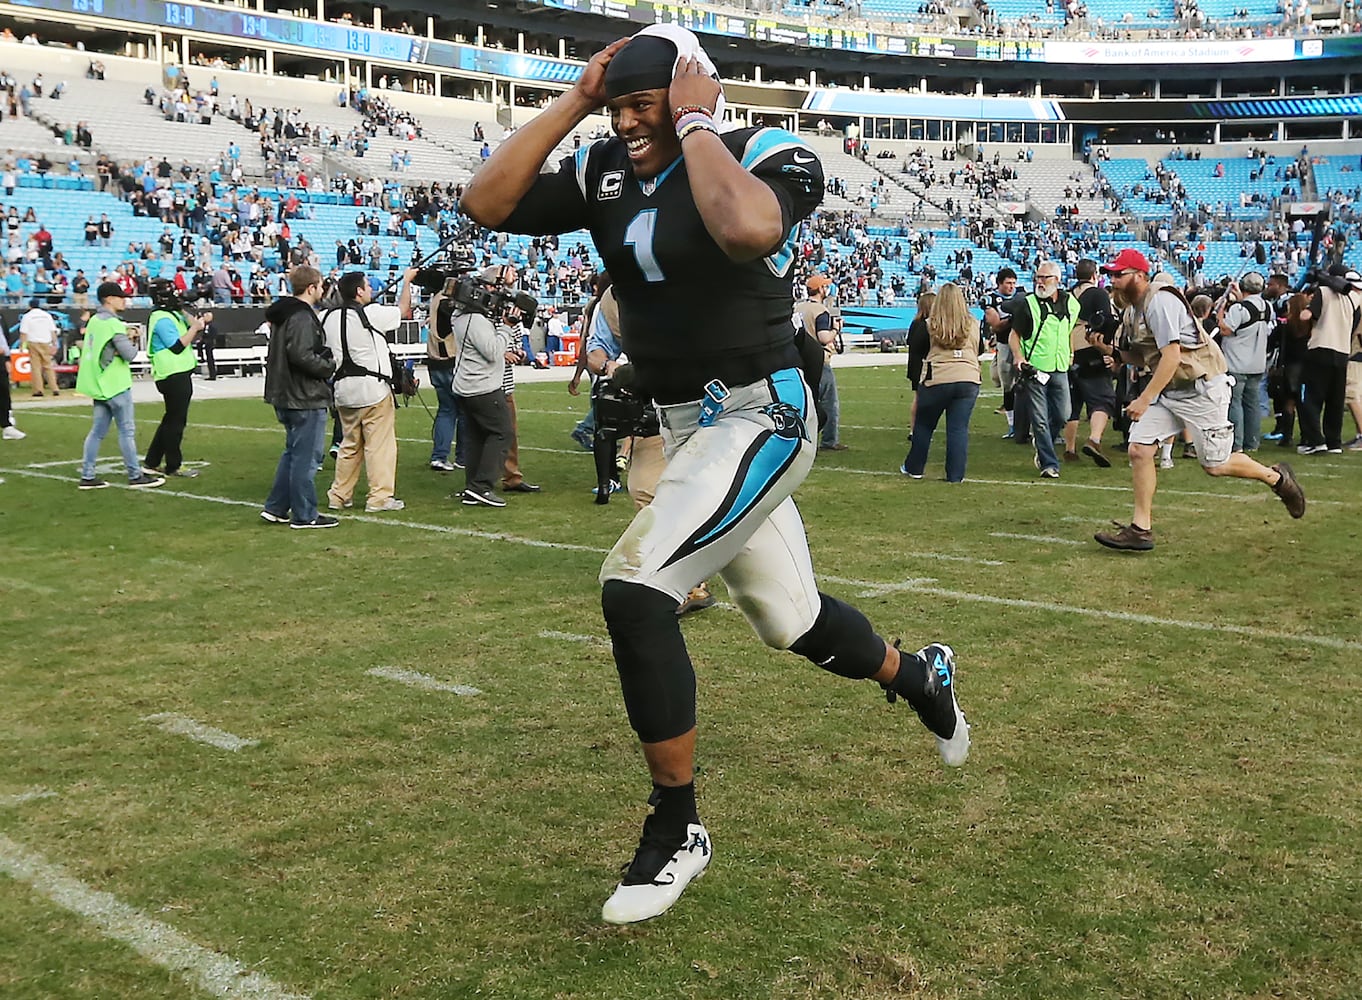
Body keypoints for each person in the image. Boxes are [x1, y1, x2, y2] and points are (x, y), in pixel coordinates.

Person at [459, 24, 968, 926]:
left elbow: (746, 226)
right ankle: (919, 677)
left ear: (690, 93)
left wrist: (694, 125)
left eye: (641, 102)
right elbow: (486, 202)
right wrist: (578, 100)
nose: (628, 123)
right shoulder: (604, 165)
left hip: (763, 410)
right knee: (793, 621)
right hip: (690, 423)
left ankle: (678, 825)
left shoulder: (757, 150)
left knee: (635, 587)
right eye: (619, 108)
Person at [1094, 250, 1305, 552]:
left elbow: (1171, 356)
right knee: (1140, 450)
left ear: (1139, 275)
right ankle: (1141, 529)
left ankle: (1277, 478)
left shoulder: (1160, 301)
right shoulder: (1133, 311)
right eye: (1111, 275)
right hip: (1172, 389)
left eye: (1119, 274)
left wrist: (1144, 398)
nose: (1113, 281)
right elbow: (1143, 356)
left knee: (1215, 465)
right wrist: (1112, 353)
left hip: (1201, 388)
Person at [323, 269, 416, 513]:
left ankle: (339, 495)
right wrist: (406, 281)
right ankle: (380, 498)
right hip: (372, 389)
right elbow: (403, 309)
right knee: (379, 446)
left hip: (343, 390)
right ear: (359, 291)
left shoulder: (326, 317)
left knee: (349, 445)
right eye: (367, 286)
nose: (371, 290)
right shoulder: (371, 313)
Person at [260, 265, 339, 529]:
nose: (323, 290)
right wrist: (328, 365)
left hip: (285, 393)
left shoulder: (284, 314)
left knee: (292, 454)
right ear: (311, 287)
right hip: (304, 395)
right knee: (307, 459)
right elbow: (301, 354)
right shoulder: (302, 317)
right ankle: (305, 514)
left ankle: (276, 507)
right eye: (320, 285)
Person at [75, 283, 165, 490]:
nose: (124, 300)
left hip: (98, 382)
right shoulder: (113, 324)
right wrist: (131, 337)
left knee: (97, 432)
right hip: (115, 383)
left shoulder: (95, 321)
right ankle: (135, 474)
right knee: (126, 431)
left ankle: (88, 475)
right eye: (120, 296)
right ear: (109, 299)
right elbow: (130, 354)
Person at [447, 266, 518, 508]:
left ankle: (473, 486)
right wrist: (507, 327)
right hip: (483, 387)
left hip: (467, 385)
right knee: (502, 432)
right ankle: (482, 486)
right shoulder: (475, 320)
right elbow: (493, 352)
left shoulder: (460, 317)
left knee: (477, 437)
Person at [900, 283, 980, 482]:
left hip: (938, 377)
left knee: (924, 425)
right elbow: (980, 348)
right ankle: (955, 474)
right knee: (958, 428)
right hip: (968, 377)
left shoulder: (929, 324)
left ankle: (915, 468)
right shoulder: (973, 323)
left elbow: (917, 350)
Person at [1008, 260, 1077, 479]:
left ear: (1056, 280)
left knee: (1063, 414)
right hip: (1035, 368)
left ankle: (1043, 445)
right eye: (1037, 277)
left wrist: (1070, 354)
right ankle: (1049, 463)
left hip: (1059, 367)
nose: (1039, 282)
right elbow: (1014, 334)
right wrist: (1019, 356)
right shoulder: (1028, 304)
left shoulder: (1071, 304)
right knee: (1039, 418)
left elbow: (1068, 332)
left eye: (1044, 278)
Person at [143, 281, 212, 478]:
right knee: (175, 422)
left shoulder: (171, 314)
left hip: (177, 372)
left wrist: (192, 316)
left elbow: (191, 324)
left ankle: (151, 461)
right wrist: (195, 328)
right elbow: (177, 346)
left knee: (170, 420)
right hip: (172, 373)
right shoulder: (161, 318)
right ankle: (174, 464)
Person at [1295, 265, 1362, 455]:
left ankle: (1315, 440)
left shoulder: (1322, 292)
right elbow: (1354, 325)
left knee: (1311, 398)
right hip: (1342, 352)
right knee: (1335, 400)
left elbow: (1306, 315)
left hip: (1320, 348)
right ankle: (1334, 442)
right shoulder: (1353, 298)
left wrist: (1305, 308)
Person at [1061, 259, 1119, 467]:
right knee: (1102, 399)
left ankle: (1069, 449)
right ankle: (1094, 439)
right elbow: (1107, 321)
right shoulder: (1098, 293)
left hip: (1068, 351)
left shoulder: (1066, 295)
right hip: (1091, 349)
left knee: (1074, 403)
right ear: (1095, 275)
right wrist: (1109, 349)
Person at [1215, 271, 1270, 453]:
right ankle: (1252, 442)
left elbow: (1225, 329)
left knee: (1234, 402)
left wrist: (1222, 311)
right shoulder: (1267, 306)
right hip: (1257, 362)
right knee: (1252, 404)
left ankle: (1236, 442)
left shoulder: (1239, 309)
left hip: (1237, 362)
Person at [426, 275, 466, 473]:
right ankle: (462, 456)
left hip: (434, 362)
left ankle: (439, 455)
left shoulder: (434, 301)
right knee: (463, 411)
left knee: (446, 410)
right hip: (450, 361)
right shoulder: (445, 304)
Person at [18, 298, 60, 397]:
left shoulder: (27, 316)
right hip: (46, 342)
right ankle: (54, 388)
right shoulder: (47, 315)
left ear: (30, 306)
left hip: (33, 342)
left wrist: (21, 346)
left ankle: (38, 390)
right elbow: (52, 331)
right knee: (48, 366)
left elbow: (24, 332)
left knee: (36, 367)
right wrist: (54, 343)